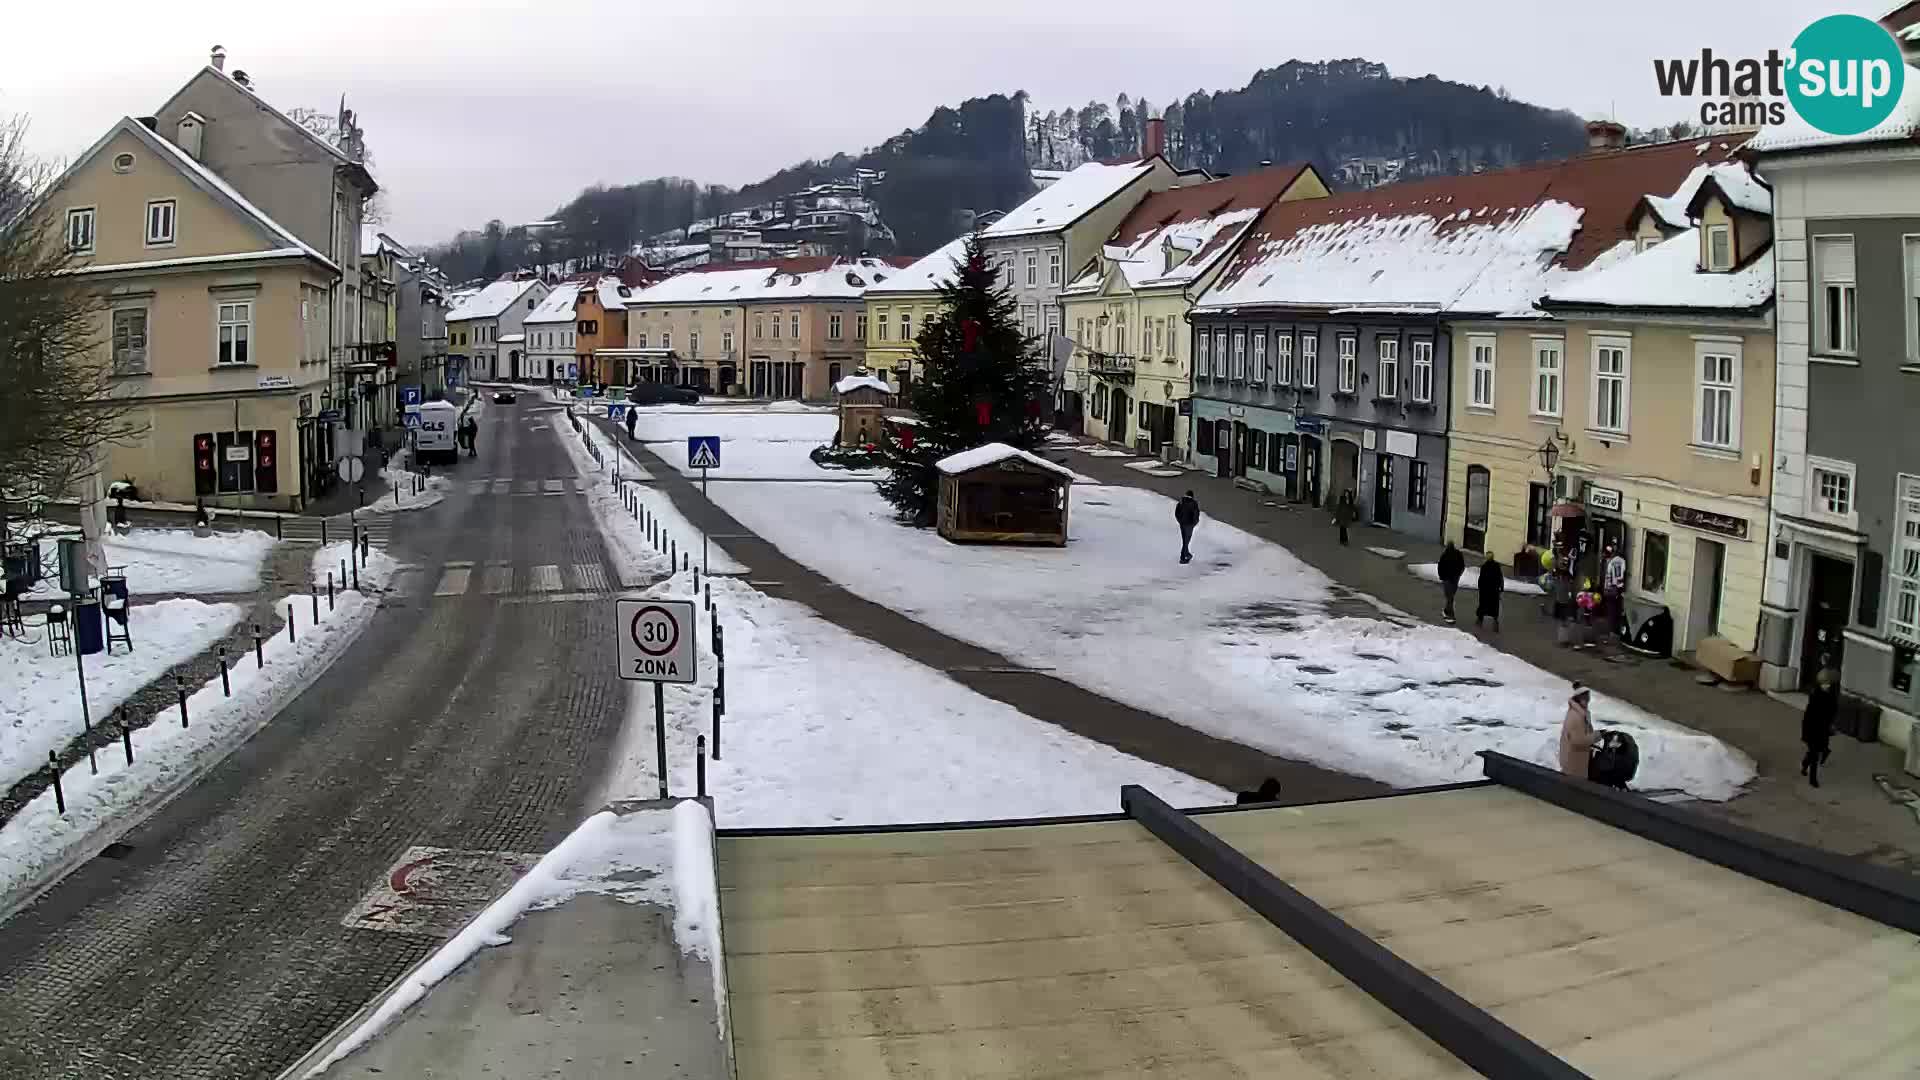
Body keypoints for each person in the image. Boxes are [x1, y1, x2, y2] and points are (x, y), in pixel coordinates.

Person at [1802, 666, 1839, 788]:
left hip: (1823, 729)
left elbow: (1833, 712)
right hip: (1813, 728)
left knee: (1816, 752)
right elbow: (1808, 715)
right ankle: (1812, 778)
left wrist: (1831, 725)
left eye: (1828, 684)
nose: (1827, 686)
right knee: (1814, 754)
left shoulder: (1832, 696)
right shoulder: (1815, 696)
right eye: (1824, 684)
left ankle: (1806, 764)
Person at [1559, 684, 1597, 779]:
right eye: (1585, 699)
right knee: (1573, 789)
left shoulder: (1582, 714)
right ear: (1579, 699)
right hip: (1573, 762)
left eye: (1588, 699)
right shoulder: (1575, 716)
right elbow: (1578, 740)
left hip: (1578, 759)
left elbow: (1587, 732)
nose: (1588, 701)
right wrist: (1597, 736)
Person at [1437, 542, 1466, 623]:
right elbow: (1462, 566)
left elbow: (1440, 566)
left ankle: (1450, 615)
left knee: (1449, 596)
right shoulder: (1458, 554)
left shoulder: (1445, 555)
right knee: (1451, 596)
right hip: (1455, 578)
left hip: (1447, 579)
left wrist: (1441, 576)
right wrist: (1459, 574)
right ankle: (1447, 611)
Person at [1475, 556, 1504, 631]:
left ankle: (1480, 620)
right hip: (1494, 590)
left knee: (1483, 604)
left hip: (1485, 589)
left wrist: (1480, 587)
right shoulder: (1497, 566)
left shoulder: (1484, 566)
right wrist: (1501, 588)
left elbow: (1481, 578)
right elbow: (1500, 577)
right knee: (1494, 606)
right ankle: (1495, 622)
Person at [1174, 491, 1201, 565]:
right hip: (1189, 525)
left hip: (1182, 524)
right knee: (1186, 541)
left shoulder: (1181, 502)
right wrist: (1194, 524)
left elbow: (1177, 513)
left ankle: (1187, 554)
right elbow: (1196, 514)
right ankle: (1183, 557)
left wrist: (1180, 521)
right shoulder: (1194, 503)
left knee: (1185, 540)